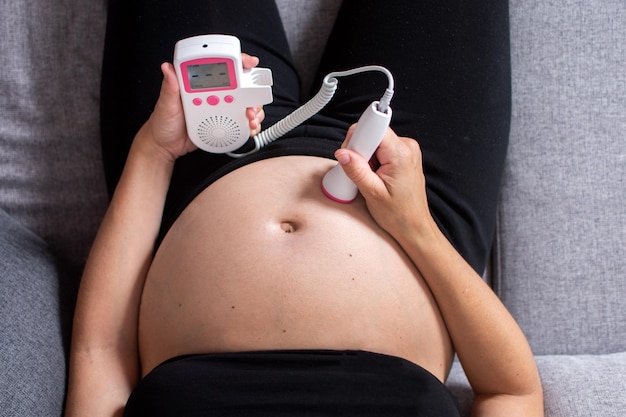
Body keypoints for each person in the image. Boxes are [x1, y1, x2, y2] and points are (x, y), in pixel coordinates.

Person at [64, 0, 543, 416]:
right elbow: (511, 391)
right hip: (412, 189)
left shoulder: (167, 152)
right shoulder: (415, 214)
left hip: (193, 156)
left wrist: (155, 150)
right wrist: (415, 225)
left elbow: (100, 353)